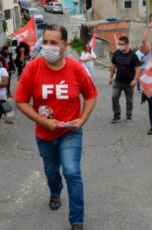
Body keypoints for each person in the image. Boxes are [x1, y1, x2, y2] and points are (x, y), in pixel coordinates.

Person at [14, 25, 98, 230]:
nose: (48, 47)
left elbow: (91, 95)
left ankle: (76, 220)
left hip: (70, 132)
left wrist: (82, 119)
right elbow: (21, 100)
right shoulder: (33, 68)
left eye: (54, 43)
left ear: (65, 46)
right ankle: (55, 190)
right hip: (44, 134)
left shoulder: (76, 68)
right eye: (46, 42)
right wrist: (43, 122)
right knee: (51, 170)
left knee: (72, 171)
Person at [109, 35, 141, 123]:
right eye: (119, 44)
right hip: (118, 81)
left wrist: (135, 80)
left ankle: (129, 115)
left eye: (121, 44)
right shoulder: (116, 53)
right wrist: (111, 77)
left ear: (127, 44)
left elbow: (138, 68)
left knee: (129, 100)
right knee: (114, 97)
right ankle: (116, 116)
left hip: (129, 82)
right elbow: (113, 66)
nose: (119, 45)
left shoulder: (133, 55)